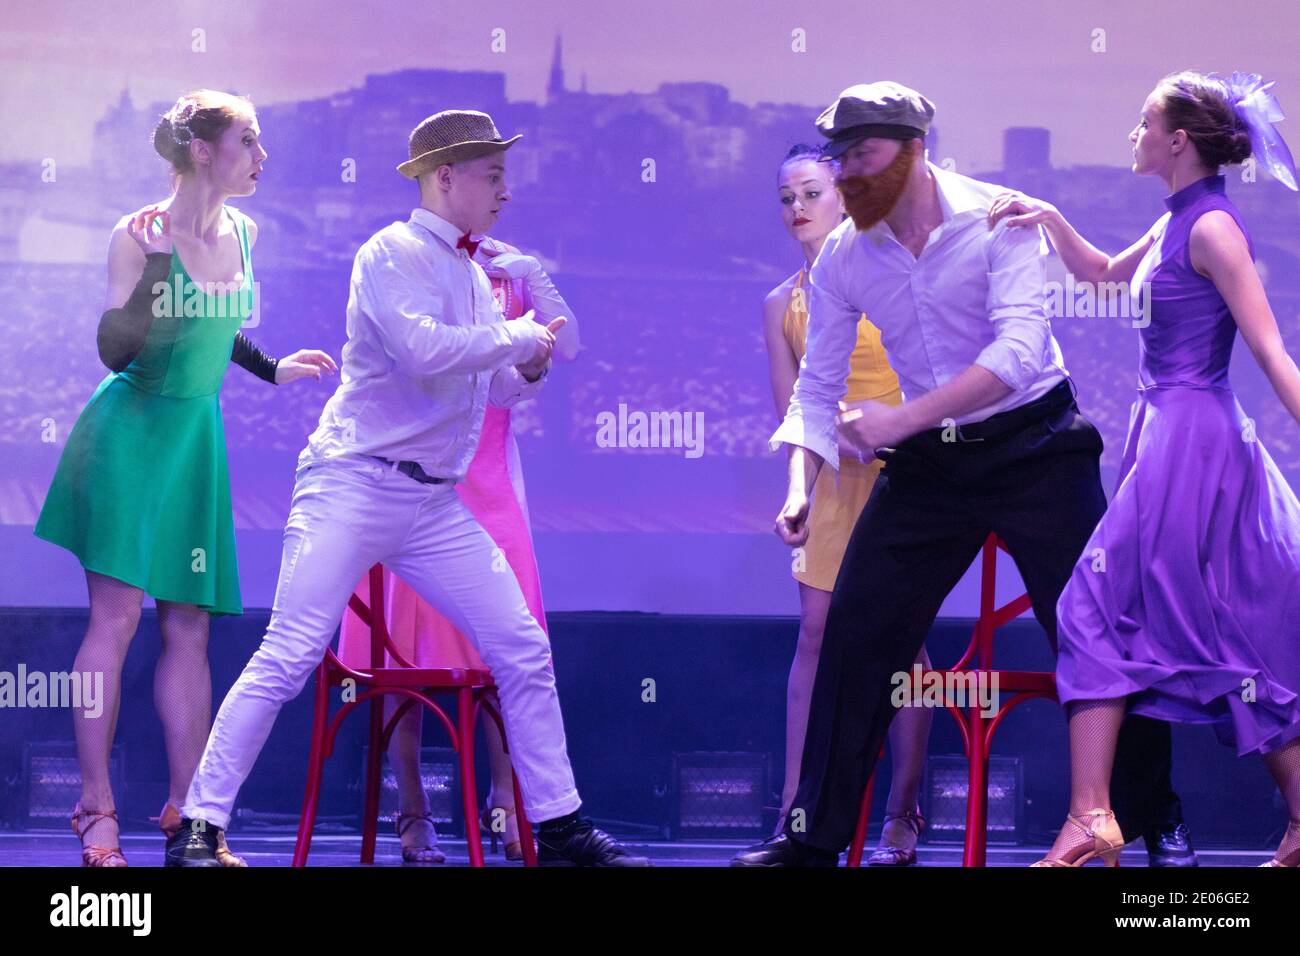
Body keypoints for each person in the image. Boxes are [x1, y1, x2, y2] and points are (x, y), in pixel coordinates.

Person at [164, 108, 648, 867]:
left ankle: (557, 827)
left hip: (428, 504)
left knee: (521, 646)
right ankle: (199, 827)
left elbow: (493, 390)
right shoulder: (389, 252)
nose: (505, 192)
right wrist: (521, 339)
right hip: (351, 485)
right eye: (493, 176)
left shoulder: (473, 273)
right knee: (289, 652)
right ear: (445, 176)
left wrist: (526, 365)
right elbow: (424, 351)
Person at [732, 81, 1189, 867]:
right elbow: (816, 388)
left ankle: (1156, 820)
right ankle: (809, 839)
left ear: (914, 152)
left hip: (1035, 444)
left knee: (1102, 624)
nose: (847, 175)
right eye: (840, 158)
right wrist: (800, 488)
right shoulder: (847, 254)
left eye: (864, 156)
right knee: (857, 632)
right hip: (934, 467)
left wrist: (896, 423)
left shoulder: (997, 219)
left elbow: (1014, 359)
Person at [987, 70, 1300, 868]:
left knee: (1094, 605)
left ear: (1179, 140)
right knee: (1229, 627)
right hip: (1164, 431)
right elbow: (1100, 274)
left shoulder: (1214, 230)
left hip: (1191, 440)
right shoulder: (1176, 221)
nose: (1132, 134)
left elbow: (1269, 351)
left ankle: (1093, 816)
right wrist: (1050, 214)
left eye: (1142, 122)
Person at [33, 89, 337, 867]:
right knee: (117, 620)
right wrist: (158, 266)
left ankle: (189, 815)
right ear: (203, 150)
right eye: (248, 141)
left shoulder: (245, 228)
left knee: (190, 629)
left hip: (195, 441)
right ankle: (96, 810)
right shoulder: (135, 235)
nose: (261, 158)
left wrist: (270, 368)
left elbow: (221, 320)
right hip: (131, 435)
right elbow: (113, 348)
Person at [337, 233, 579, 863]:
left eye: (499, 180)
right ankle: (412, 809)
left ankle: (509, 801)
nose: (495, 193)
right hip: (409, 474)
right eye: (486, 176)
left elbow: (564, 346)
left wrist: (537, 274)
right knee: (401, 652)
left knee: (508, 654)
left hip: (489, 480)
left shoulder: (508, 267)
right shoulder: (405, 263)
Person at [763, 143, 931, 865]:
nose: (796, 208)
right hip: (832, 475)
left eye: (809, 193)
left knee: (901, 642)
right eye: (786, 198)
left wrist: (893, 431)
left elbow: (930, 373)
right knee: (815, 635)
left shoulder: (894, 275)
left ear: (843, 196)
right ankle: (797, 809)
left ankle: (901, 812)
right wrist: (811, 469)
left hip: (906, 468)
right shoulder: (781, 302)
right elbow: (794, 407)